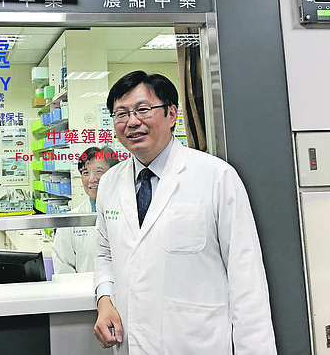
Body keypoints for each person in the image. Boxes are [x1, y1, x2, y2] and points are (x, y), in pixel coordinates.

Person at [93, 71, 277, 354]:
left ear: (171, 114)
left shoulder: (216, 176)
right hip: (132, 343)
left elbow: (246, 277)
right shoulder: (109, 183)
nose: (132, 122)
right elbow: (105, 254)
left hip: (199, 343)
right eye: (121, 114)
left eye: (143, 109)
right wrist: (105, 300)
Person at [52, 146, 118, 274]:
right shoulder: (71, 220)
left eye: (99, 171)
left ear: (114, 174)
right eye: (85, 172)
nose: (92, 179)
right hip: (84, 292)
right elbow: (63, 270)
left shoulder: (131, 213)